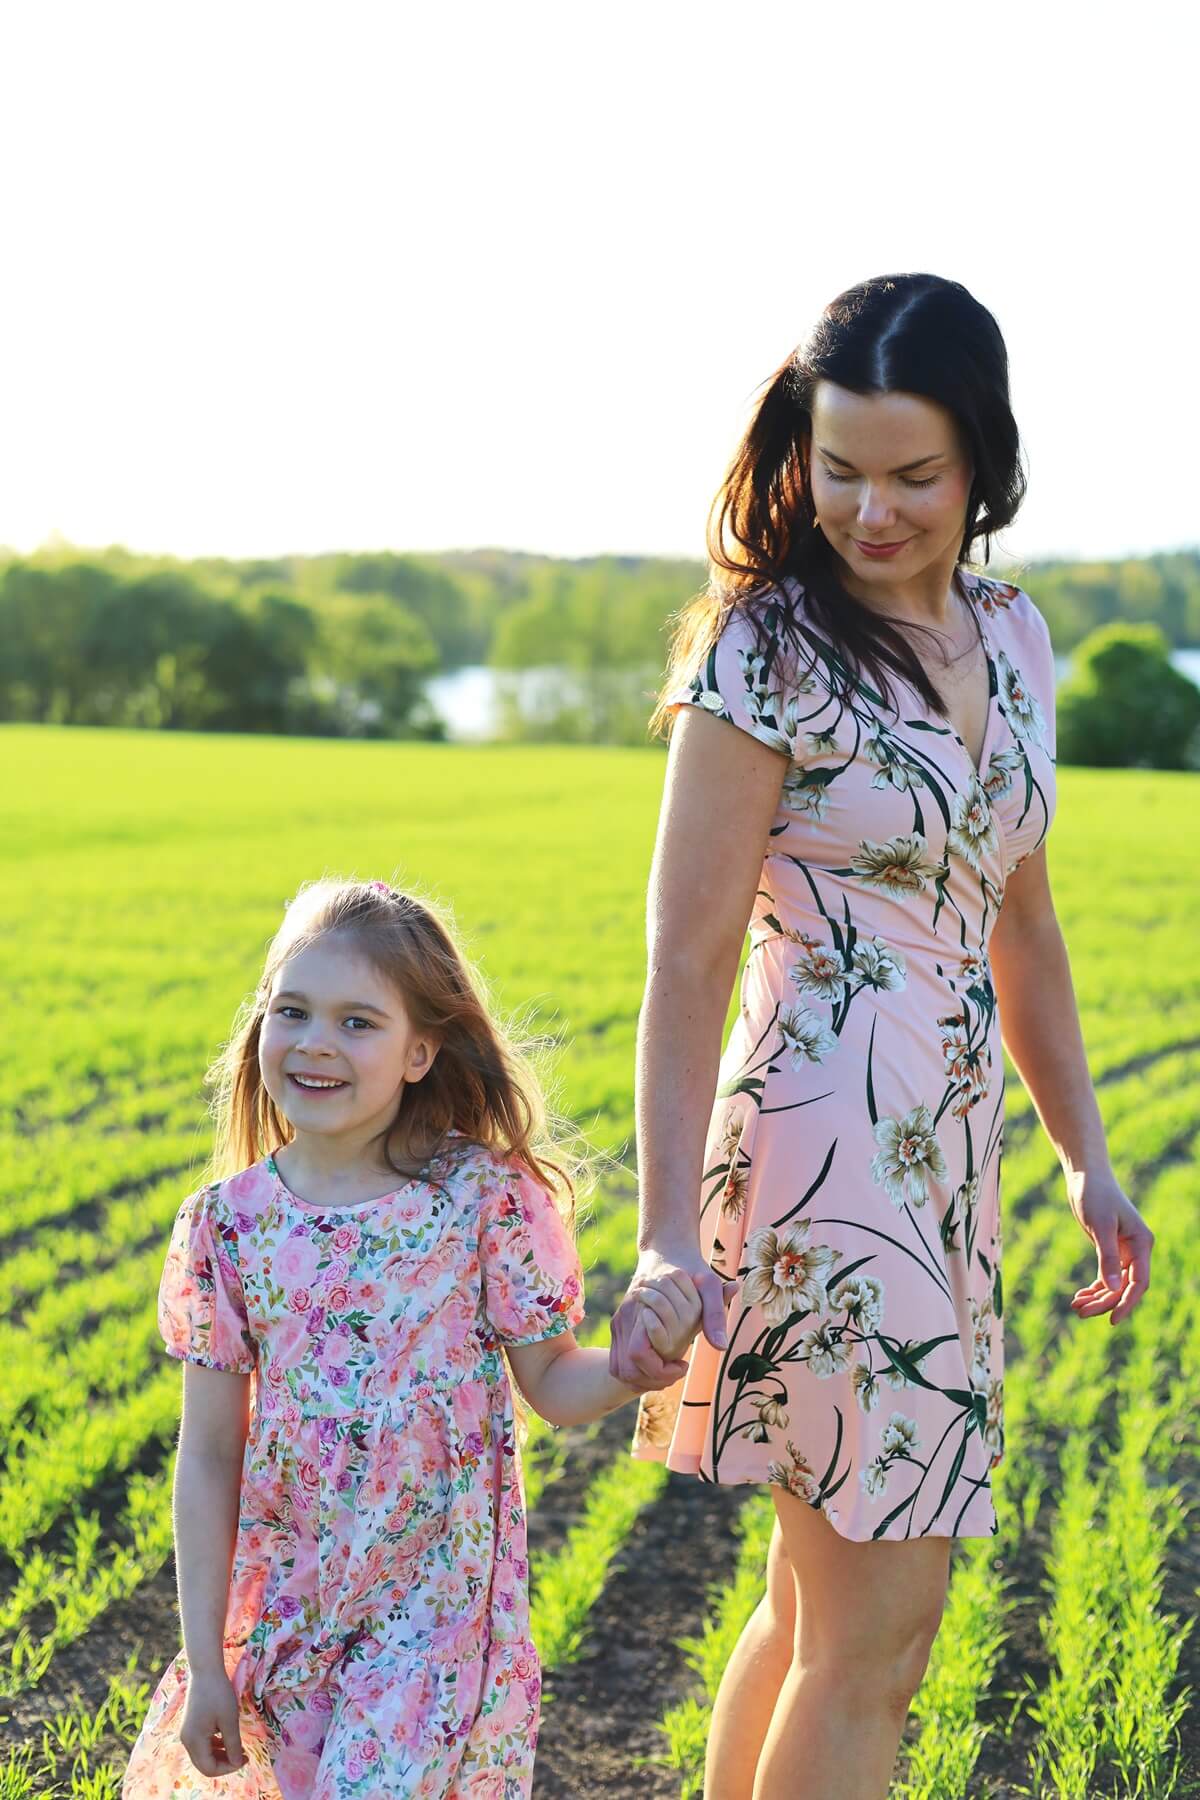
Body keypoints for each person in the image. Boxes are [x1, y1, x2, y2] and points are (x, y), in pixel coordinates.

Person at [608, 272, 1155, 1800]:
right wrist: (664, 1233)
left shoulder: (1016, 635)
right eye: (839, 467)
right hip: (822, 1155)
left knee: (814, 1612)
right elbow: (686, 959)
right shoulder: (764, 648)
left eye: (914, 474)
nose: (870, 510)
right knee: (877, 1644)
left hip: (948, 1164)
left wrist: (1083, 1158)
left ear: (984, 462)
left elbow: (1022, 922)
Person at [122, 877, 701, 1800]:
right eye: (292, 1011)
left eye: (358, 1022)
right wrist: (204, 1662)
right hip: (290, 1613)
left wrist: (631, 1370)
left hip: (432, 1619)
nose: (315, 1042)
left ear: (421, 1052)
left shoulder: (481, 1200)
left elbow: (552, 1384)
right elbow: (209, 1456)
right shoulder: (228, 1226)